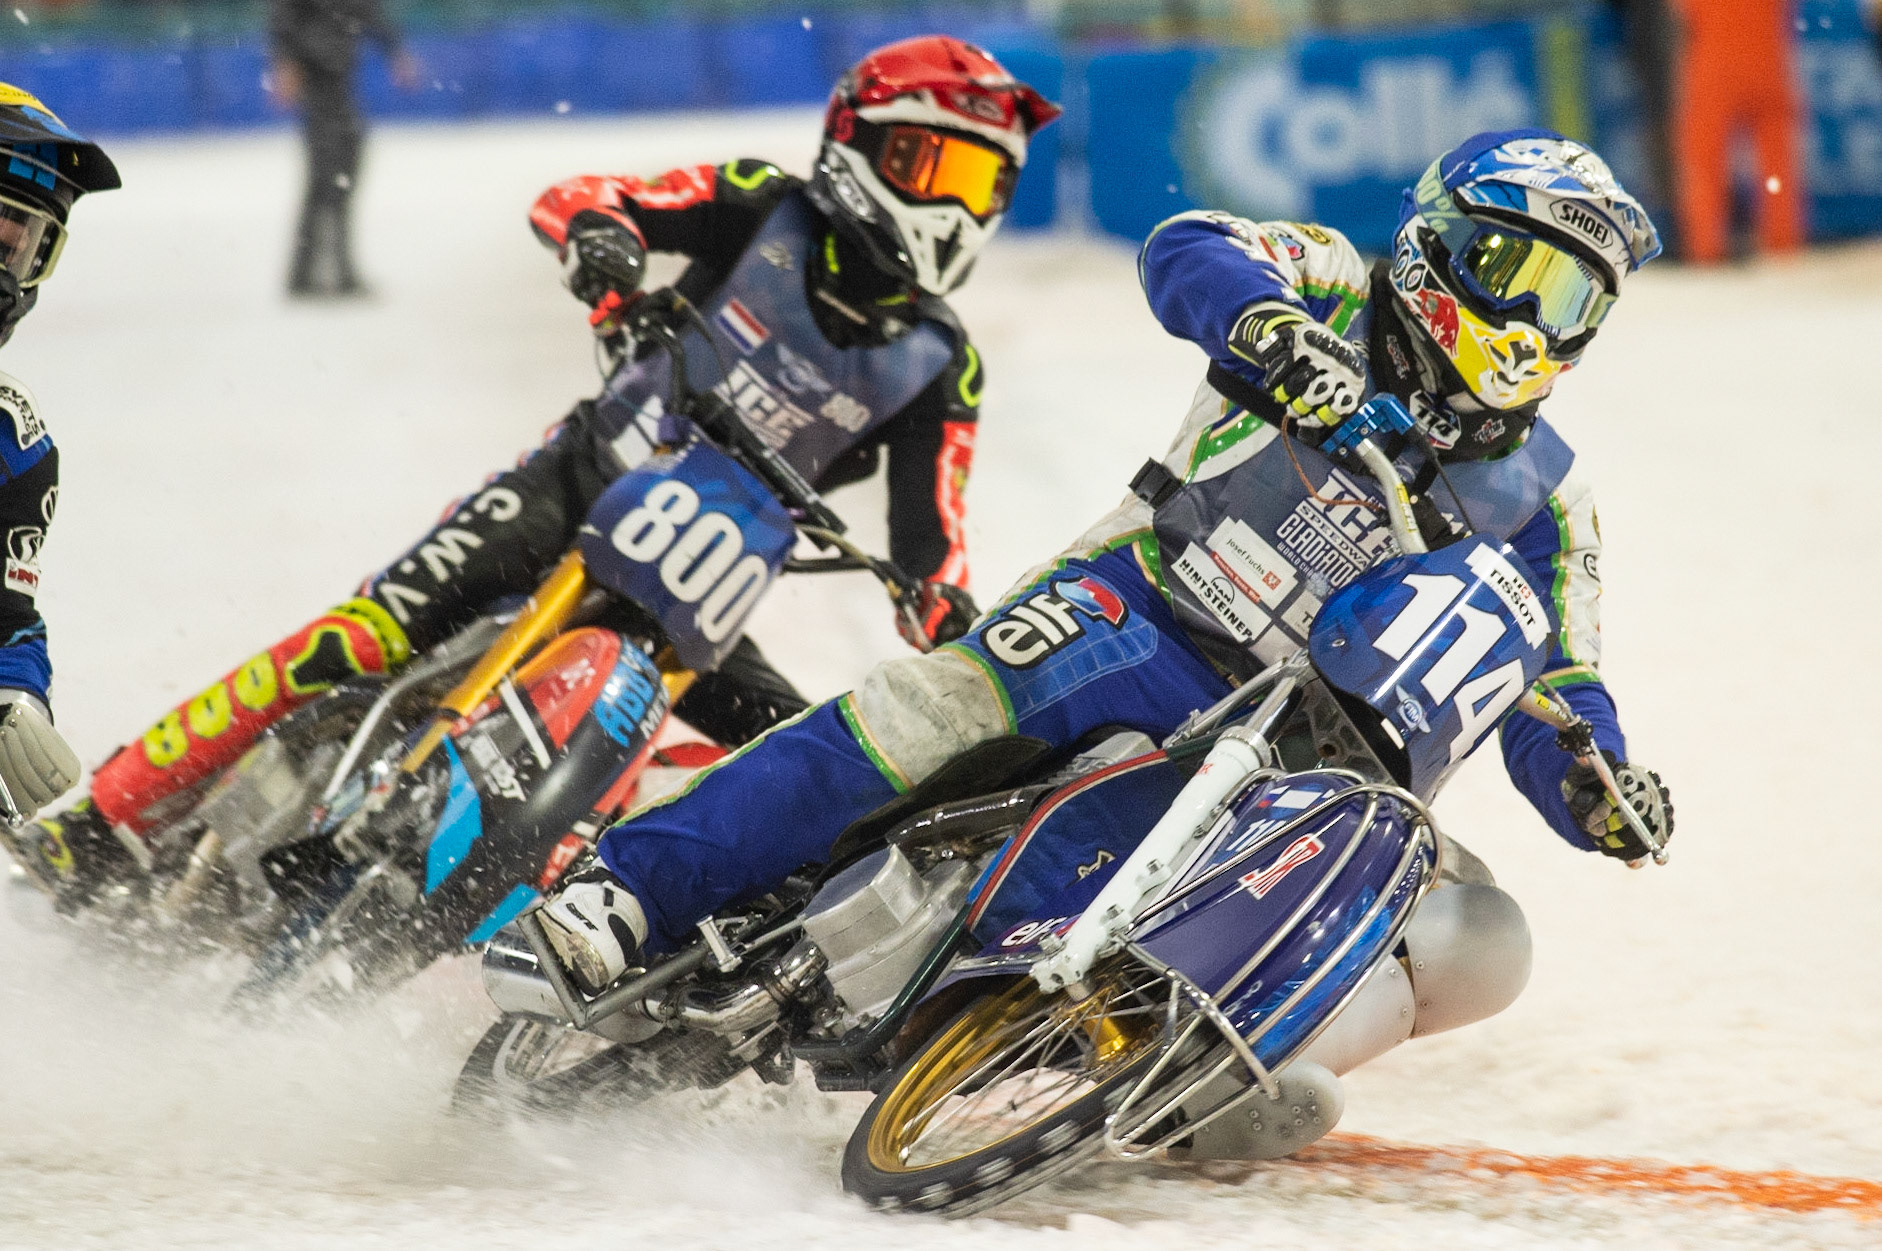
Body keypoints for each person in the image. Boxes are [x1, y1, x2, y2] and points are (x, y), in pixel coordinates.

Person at [534, 131, 1677, 1110]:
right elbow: (1187, 246)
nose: (1531, 319)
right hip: (1147, 611)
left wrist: (1596, 777)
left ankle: (1205, 1082)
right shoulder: (1332, 283)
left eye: (1571, 299)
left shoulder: (1547, 496)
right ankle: (627, 891)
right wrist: (1274, 335)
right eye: (1513, 269)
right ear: (1440, 243)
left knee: (1475, 942)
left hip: (1311, 757)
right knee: (929, 713)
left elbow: (1551, 672)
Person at [8, 36, 1059, 912]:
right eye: (935, 167)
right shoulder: (758, 203)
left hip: (703, 584)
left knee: (791, 774)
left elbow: (936, 526)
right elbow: (585, 197)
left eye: (983, 182)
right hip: (571, 487)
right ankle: (105, 813)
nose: (956, 206)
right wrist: (604, 256)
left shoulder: (940, 360)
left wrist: (938, 603)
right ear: (854, 145)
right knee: (359, 635)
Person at [0, 85, 118, 862]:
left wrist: (15, 700)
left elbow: (10, 615)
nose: (6, 264)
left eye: (24, 244)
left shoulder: (15, 442)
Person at [269, 0, 419, 297]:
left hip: (337, 78)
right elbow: (284, 16)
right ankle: (316, 273)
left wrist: (395, 51)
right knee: (328, 177)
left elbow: (367, 12)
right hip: (317, 76)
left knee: (337, 177)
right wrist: (286, 62)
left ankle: (324, 271)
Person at [1667, 0, 1802, 263]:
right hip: (1767, 62)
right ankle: (1782, 242)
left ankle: (1706, 247)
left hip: (1714, 67)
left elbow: (1681, 14)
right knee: (1777, 162)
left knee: (1703, 160)